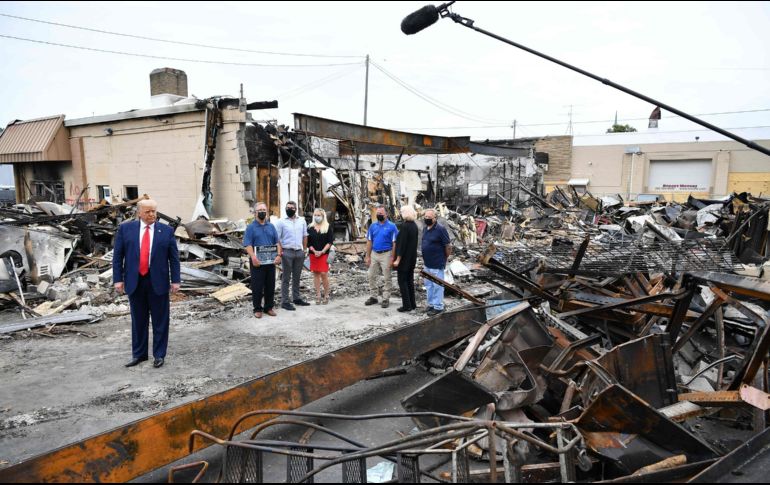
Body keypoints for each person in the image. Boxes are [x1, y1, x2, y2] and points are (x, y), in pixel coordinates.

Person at [113, 199, 181, 368]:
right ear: (139, 213)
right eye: (148, 211)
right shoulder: (125, 229)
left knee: (160, 320)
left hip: (157, 281)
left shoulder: (166, 231)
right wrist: (118, 279)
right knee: (138, 320)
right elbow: (117, 257)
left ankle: (159, 355)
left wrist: (176, 280)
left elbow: (174, 258)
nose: (152, 214)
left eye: (154, 211)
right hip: (135, 281)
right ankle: (139, 354)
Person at [243, 202, 282, 318]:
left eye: (264, 210)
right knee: (257, 286)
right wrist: (253, 257)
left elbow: (277, 242)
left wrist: (279, 255)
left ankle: (268, 307)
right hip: (257, 262)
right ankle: (257, 309)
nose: (262, 212)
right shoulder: (250, 228)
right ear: (255, 213)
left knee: (270, 285)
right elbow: (248, 244)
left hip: (270, 262)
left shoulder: (271, 226)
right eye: (259, 210)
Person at [276, 200, 309, 311]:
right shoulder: (281, 222)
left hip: (299, 252)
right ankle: (285, 301)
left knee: (297, 277)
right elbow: (277, 239)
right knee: (286, 277)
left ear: (295, 209)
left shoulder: (302, 221)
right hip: (287, 252)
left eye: (291, 207)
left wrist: (304, 250)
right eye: (287, 207)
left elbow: (305, 236)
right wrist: (280, 252)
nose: (289, 209)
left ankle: (296, 298)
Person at [364, 206, 398, 309]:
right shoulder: (373, 226)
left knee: (387, 277)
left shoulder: (392, 227)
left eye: (381, 213)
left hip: (386, 254)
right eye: (377, 213)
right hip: (374, 253)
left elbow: (394, 243)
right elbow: (369, 241)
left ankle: (385, 298)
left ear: (386, 214)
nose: (379, 215)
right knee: (371, 275)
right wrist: (367, 256)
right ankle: (374, 296)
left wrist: (392, 257)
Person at [421, 208, 451, 316]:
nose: (427, 219)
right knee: (429, 286)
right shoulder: (425, 229)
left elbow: (447, 246)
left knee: (437, 286)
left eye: (429, 217)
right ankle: (431, 305)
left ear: (435, 218)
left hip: (437, 263)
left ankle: (438, 307)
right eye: (425, 217)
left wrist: (444, 259)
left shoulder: (441, 229)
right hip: (427, 264)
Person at [393, 205, 419, 313]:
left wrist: (398, 259)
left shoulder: (405, 226)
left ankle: (406, 305)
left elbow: (402, 245)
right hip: (412, 258)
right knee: (409, 281)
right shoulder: (414, 225)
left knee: (402, 281)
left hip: (404, 260)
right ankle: (412, 304)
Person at [308, 208, 334, 305]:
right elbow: (308, 242)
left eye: (319, 215)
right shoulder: (310, 227)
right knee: (316, 274)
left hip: (324, 254)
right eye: (315, 215)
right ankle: (318, 295)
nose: (316, 217)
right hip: (313, 254)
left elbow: (330, 241)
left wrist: (322, 251)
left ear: (323, 216)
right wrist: (314, 251)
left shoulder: (327, 227)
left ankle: (327, 294)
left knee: (323, 273)